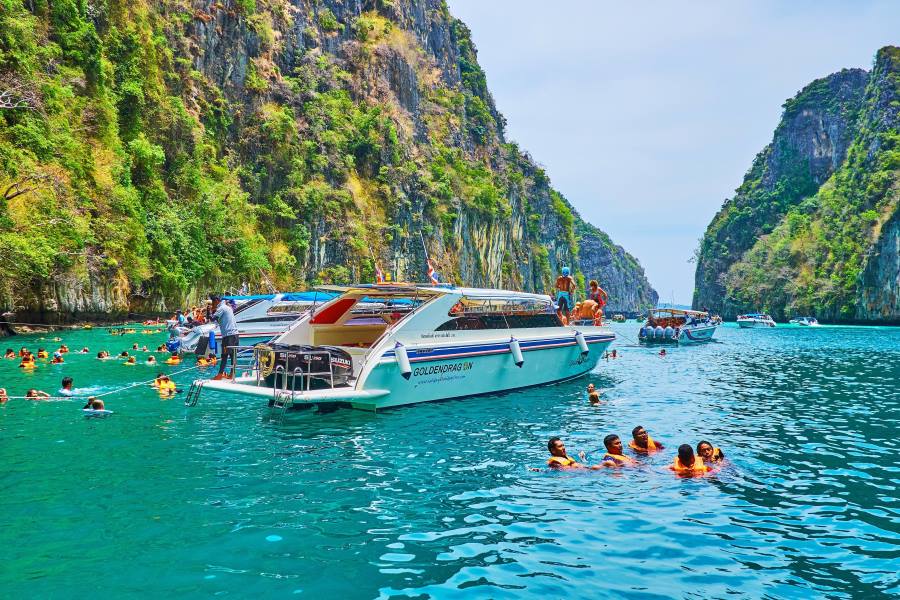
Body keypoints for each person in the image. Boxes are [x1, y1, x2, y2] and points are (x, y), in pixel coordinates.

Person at [209, 294, 239, 381]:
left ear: (216, 301)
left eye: (213, 303)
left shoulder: (221, 308)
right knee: (233, 356)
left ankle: (219, 375)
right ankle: (232, 374)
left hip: (228, 336)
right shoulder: (227, 307)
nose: (212, 305)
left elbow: (212, 318)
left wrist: (210, 310)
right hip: (235, 335)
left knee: (224, 355)